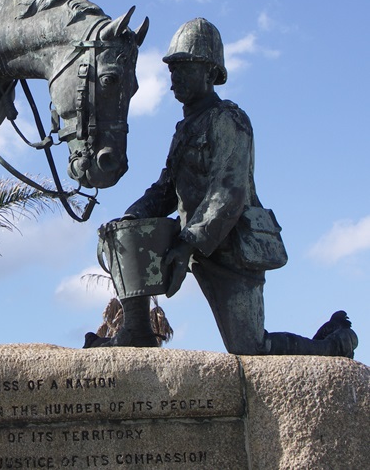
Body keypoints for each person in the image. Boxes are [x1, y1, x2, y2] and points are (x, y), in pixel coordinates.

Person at [85, 18, 357, 357]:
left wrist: (186, 245)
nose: (175, 81)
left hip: (231, 247)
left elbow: (228, 194)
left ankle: (333, 346)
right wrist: (133, 215)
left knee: (250, 347)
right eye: (173, 71)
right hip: (192, 243)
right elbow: (167, 188)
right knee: (121, 235)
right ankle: (136, 330)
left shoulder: (229, 120)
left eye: (185, 69)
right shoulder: (185, 128)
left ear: (211, 74)